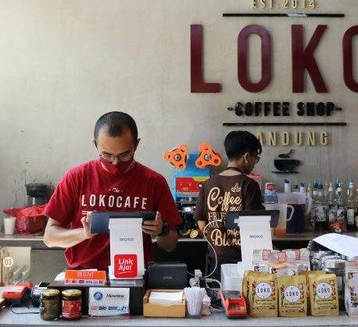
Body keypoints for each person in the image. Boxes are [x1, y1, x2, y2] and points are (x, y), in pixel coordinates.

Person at [43, 111, 182, 271]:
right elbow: (50, 237)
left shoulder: (154, 182)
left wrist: (161, 230)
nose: (115, 163)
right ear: (96, 145)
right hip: (86, 275)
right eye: (107, 155)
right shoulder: (76, 178)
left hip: (135, 274)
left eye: (124, 155)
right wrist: (83, 234)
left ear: (136, 145)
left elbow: (171, 245)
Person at [194, 130, 265, 278]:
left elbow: (202, 225)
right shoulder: (249, 185)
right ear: (247, 157)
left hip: (215, 261)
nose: (254, 163)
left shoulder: (208, 184)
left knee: (216, 292)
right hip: (242, 263)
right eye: (255, 158)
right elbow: (255, 226)